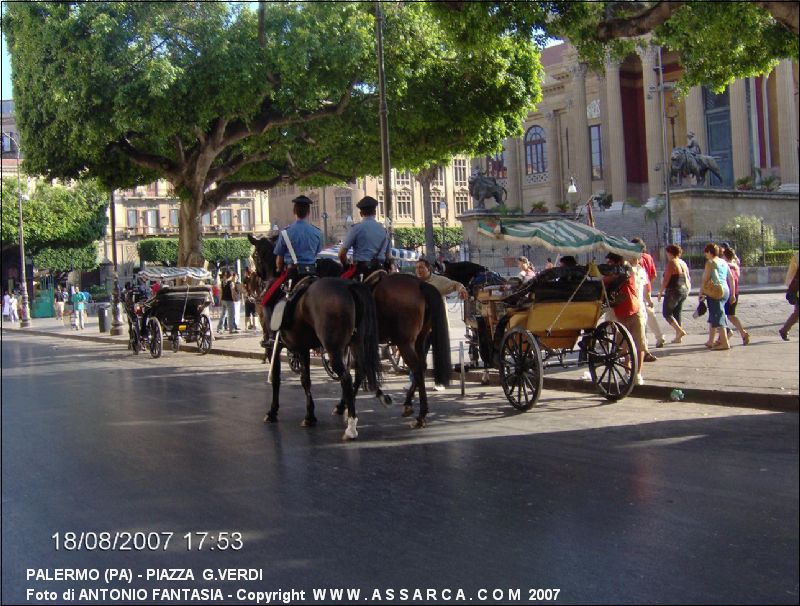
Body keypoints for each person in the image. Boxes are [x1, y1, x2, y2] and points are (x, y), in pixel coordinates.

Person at [261, 195, 322, 346]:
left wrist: (278, 268)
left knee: (266, 300)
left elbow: (279, 260)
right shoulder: (317, 232)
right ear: (309, 212)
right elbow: (317, 252)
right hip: (313, 273)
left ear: (294, 211)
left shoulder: (286, 233)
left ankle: (272, 335)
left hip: (293, 274)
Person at [410, 259, 468, 391]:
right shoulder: (413, 283)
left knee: (439, 352)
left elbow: (455, 284)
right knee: (417, 355)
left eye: (421, 267)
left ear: (428, 269)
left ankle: (440, 381)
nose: (418, 270)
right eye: (417, 267)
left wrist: (462, 289)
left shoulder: (438, 281)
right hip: (419, 327)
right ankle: (414, 380)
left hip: (435, 325)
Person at [603, 253, 646, 385]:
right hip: (621, 313)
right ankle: (628, 372)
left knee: (639, 345)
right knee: (623, 346)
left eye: (610, 262)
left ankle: (637, 374)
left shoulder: (625, 271)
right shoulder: (619, 272)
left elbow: (607, 280)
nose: (608, 265)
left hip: (633, 311)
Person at [339, 196, 390, 281]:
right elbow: (387, 255)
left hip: (361, 271)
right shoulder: (384, 230)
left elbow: (341, 254)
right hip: (381, 270)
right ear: (375, 212)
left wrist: (346, 265)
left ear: (361, 213)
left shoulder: (356, 229)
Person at [631, 237, 665, 348]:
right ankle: (659, 336)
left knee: (642, 318)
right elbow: (653, 274)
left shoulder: (634, 258)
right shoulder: (648, 257)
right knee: (650, 315)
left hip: (637, 290)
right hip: (646, 289)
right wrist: (647, 282)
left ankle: (643, 343)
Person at [700, 243, 735, 350]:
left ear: (710, 252)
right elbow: (731, 278)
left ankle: (724, 343)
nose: (705, 255)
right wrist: (733, 294)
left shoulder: (710, 263)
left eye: (706, 252)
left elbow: (705, 279)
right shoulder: (723, 261)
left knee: (718, 316)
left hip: (715, 292)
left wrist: (701, 292)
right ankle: (711, 341)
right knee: (714, 315)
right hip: (725, 290)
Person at [658, 244, 690, 343]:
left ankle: (679, 331)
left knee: (666, 313)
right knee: (677, 313)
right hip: (683, 289)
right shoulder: (682, 262)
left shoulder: (672, 263)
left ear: (670, 253)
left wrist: (660, 292)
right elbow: (687, 276)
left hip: (673, 290)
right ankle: (678, 337)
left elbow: (666, 279)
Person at [629, 255, 657, 363]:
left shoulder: (641, 270)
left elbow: (645, 288)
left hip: (640, 305)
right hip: (630, 305)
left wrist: (649, 300)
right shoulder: (627, 270)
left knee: (642, 330)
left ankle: (645, 352)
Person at [722, 248, 750, 345]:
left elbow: (731, 280)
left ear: (725, 256)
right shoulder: (736, 266)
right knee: (730, 315)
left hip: (728, 293)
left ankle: (727, 333)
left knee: (723, 315)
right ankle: (742, 333)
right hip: (734, 292)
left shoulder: (727, 266)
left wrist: (732, 294)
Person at [779, 251, 799, 341]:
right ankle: (784, 330)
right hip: (797, 289)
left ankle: (784, 330)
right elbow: (791, 273)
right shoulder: (797, 257)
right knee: (797, 313)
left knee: (797, 313)